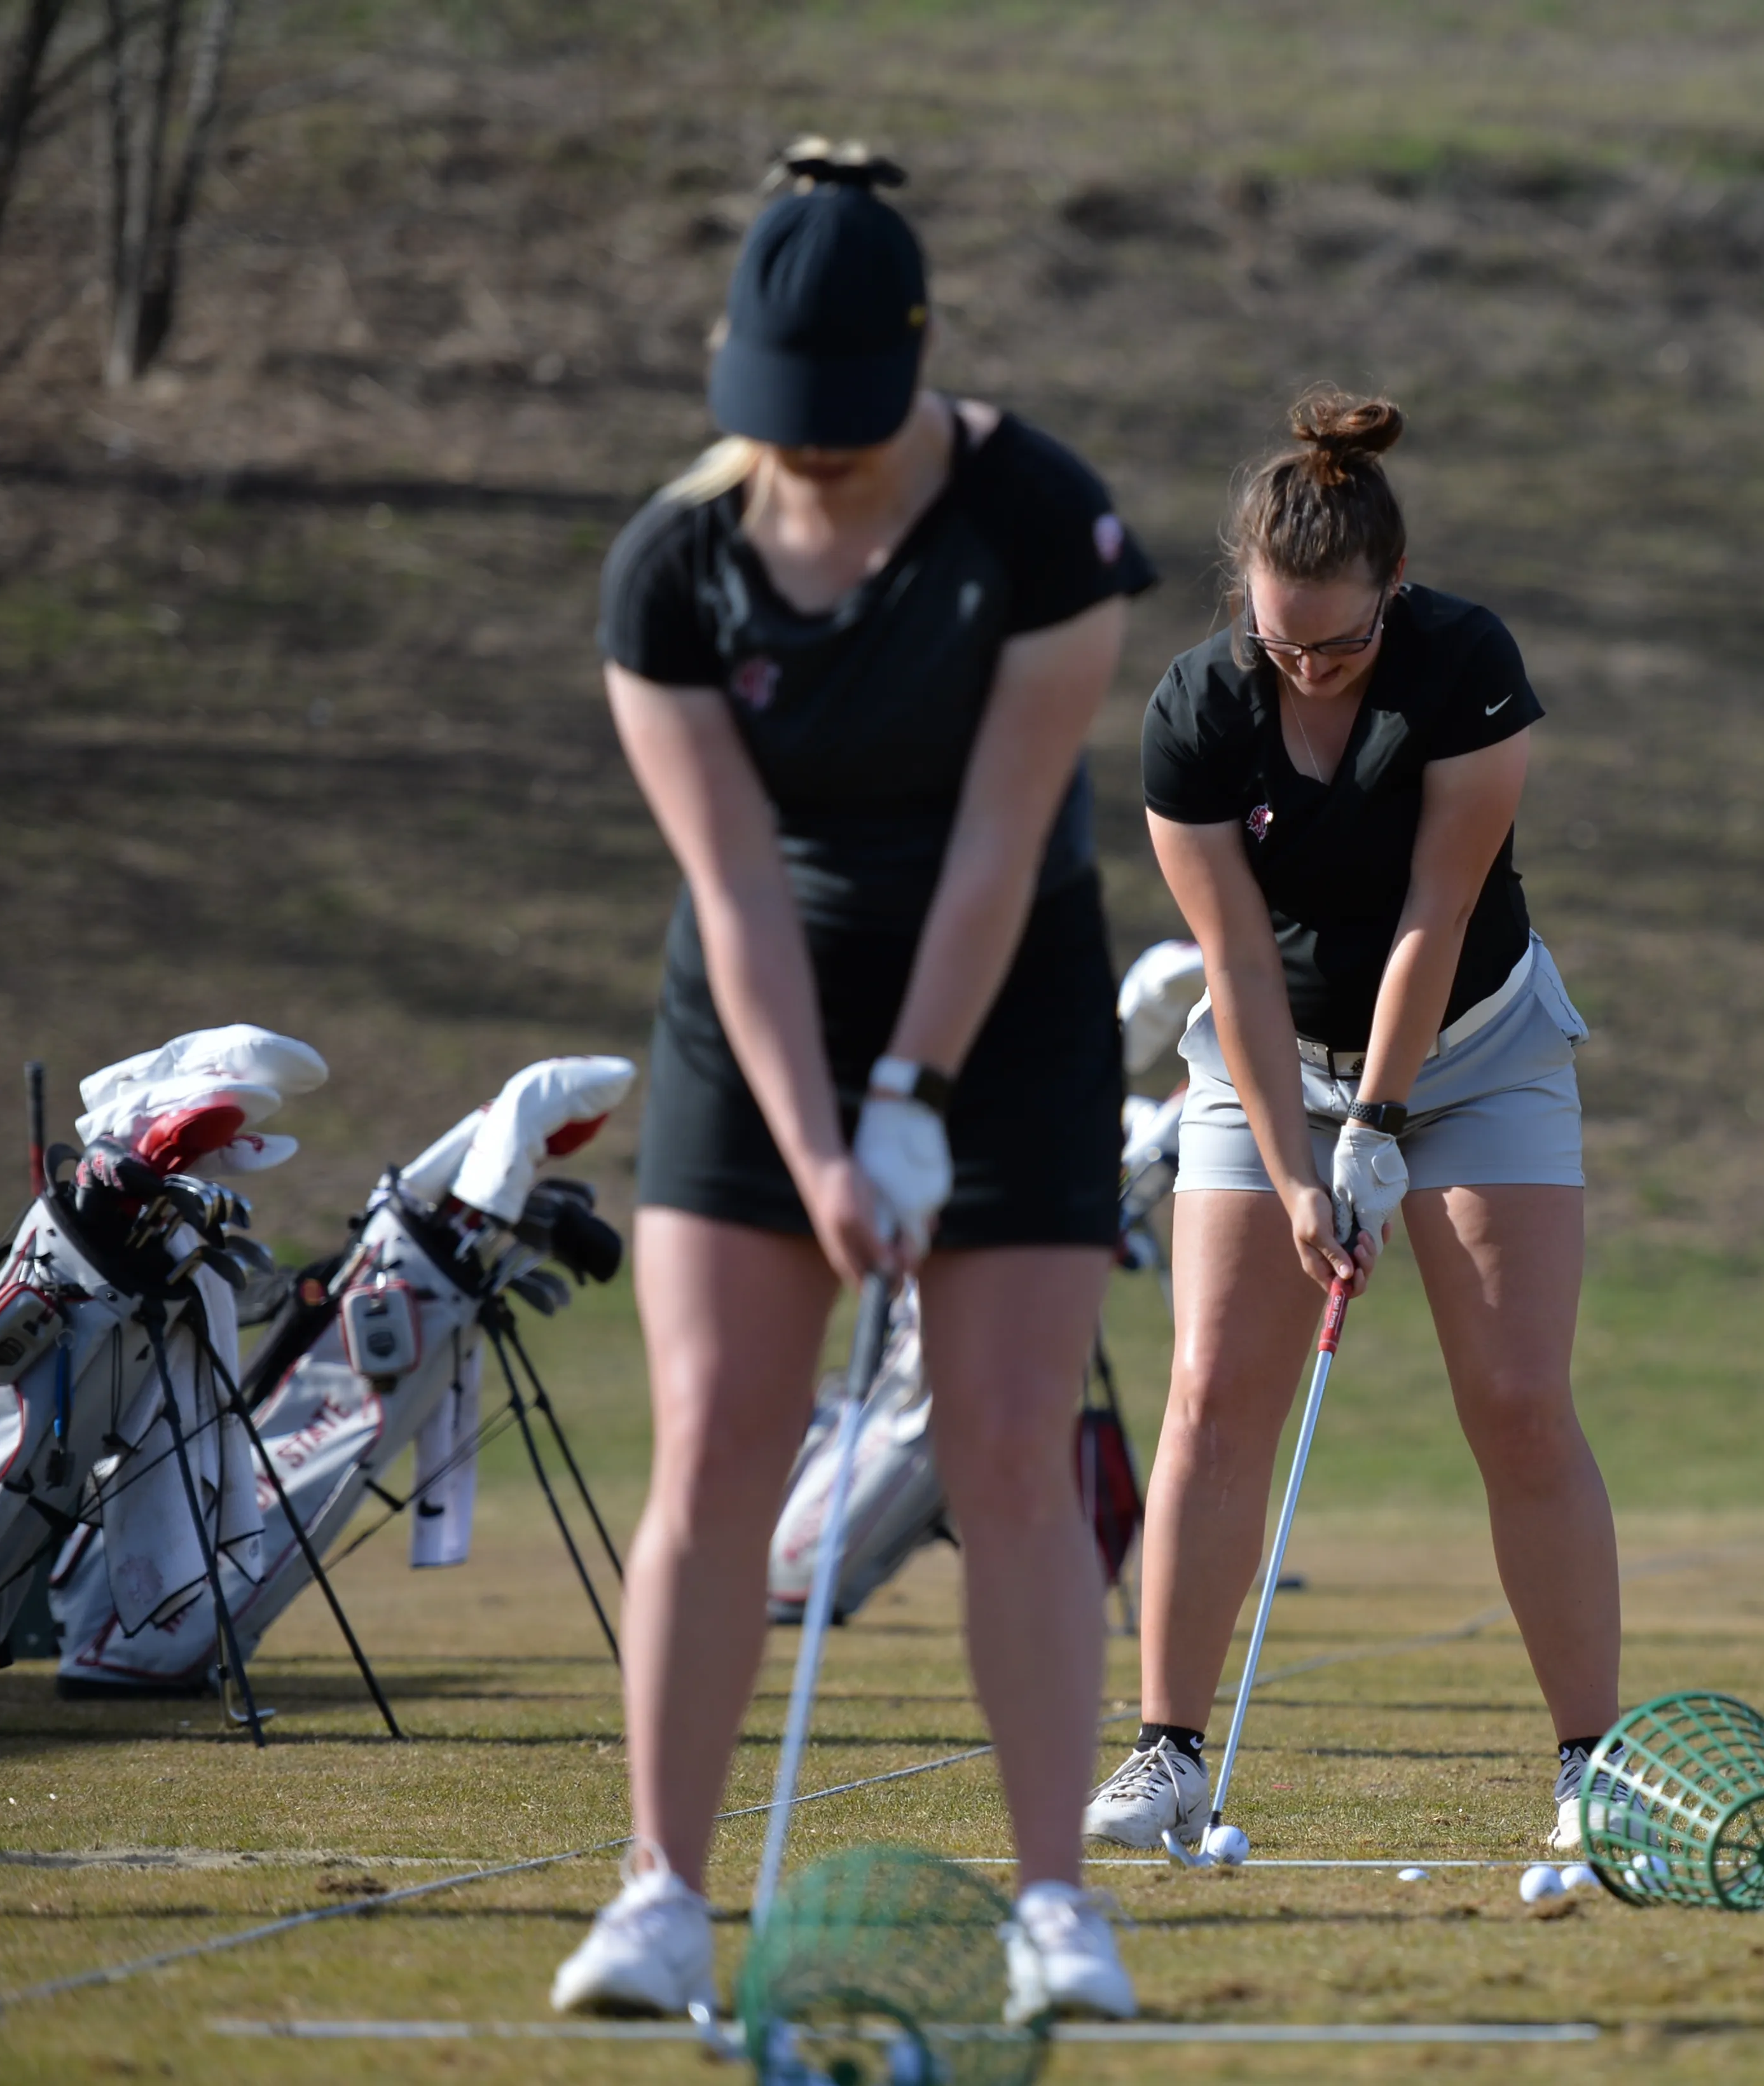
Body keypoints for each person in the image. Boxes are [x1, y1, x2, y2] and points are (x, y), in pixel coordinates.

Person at [553, 142, 1159, 2024]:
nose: (808, 460)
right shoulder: (673, 571)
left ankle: (1057, 1903)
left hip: (1014, 986)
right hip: (762, 1002)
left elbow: (1001, 839)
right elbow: (731, 884)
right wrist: (822, 1136)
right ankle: (659, 1893)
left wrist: (914, 1094)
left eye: (841, 429)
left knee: (1004, 1450)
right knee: (724, 1437)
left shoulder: (1043, 524)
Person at [1094, 387, 1621, 1853]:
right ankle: (1167, 1751)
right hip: (1267, 1063)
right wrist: (1293, 1168)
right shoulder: (1196, 711)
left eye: (1339, 641)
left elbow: (1434, 910)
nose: (1309, 668)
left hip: (1479, 1047)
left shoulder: (1466, 666)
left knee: (1517, 1399)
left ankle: (1590, 1758)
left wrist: (1378, 1122)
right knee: (1208, 1392)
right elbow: (1240, 964)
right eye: (1281, 641)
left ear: (1396, 588)